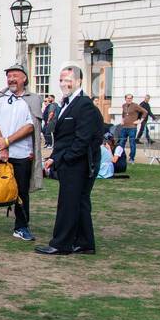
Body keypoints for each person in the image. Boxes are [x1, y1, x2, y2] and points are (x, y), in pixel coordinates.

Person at [36, 65, 103, 256]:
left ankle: (61, 243)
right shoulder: (68, 103)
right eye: (62, 80)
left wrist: (65, 158)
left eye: (68, 79)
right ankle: (85, 242)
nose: (64, 83)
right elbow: (65, 138)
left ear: (79, 81)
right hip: (70, 160)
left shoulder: (84, 104)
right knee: (79, 202)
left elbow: (84, 138)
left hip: (78, 164)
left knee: (68, 203)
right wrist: (54, 158)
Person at [0, 62, 43, 242]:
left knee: (21, 191)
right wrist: (2, 145)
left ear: (24, 78)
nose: (11, 79)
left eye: (15, 75)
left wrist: (8, 141)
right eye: (9, 76)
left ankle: (21, 226)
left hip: (21, 153)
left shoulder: (33, 100)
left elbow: (30, 126)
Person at [117, 93, 148, 162]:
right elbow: (123, 114)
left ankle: (131, 158)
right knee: (121, 142)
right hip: (124, 127)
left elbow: (145, 112)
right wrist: (122, 120)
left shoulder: (135, 106)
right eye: (128, 98)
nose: (129, 99)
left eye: (130, 98)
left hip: (132, 128)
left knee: (132, 143)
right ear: (125, 99)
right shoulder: (124, 105)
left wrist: (140, 120)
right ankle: (119, 157)